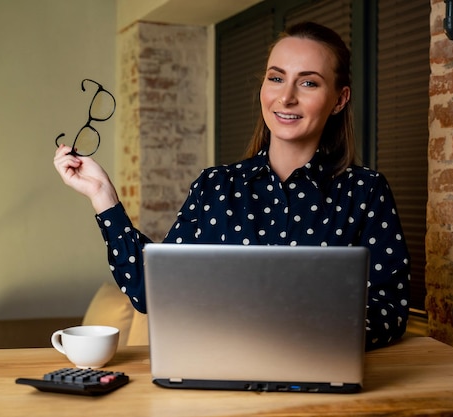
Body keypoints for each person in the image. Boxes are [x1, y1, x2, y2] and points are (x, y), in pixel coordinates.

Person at [54, 21, 411, 350]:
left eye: (308, 82)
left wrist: (297, 330)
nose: (286, 97)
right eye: (276, 78)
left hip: (321, 383)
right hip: (219, 388)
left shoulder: (366, 192)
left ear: (340, 99)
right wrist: (103, 197)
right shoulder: (215, 187)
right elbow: (153, 291)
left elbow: (389, 310)